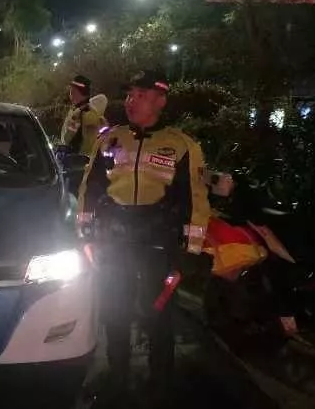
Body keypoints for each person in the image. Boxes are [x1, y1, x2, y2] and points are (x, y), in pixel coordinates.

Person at [76, 70, 211, 407]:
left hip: (158, 243)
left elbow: (195, 200)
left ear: (160, 100)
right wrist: (86, 234)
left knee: (159, 315)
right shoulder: (110, 139)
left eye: (140, 95)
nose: (131, 101)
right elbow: (90, 188)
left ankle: (160, 383)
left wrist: (191, 251)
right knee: (115, 310)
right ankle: (117, 377)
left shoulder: (182, 145)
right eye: (130, 94)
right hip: (114, 241)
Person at [60, 74, 106, 156]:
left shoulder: (82, 114)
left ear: (78, 92)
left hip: (81, 159)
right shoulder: (81, 110)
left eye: (72, 91)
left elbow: (67, 139)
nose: (70, 94)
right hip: (86, 158)